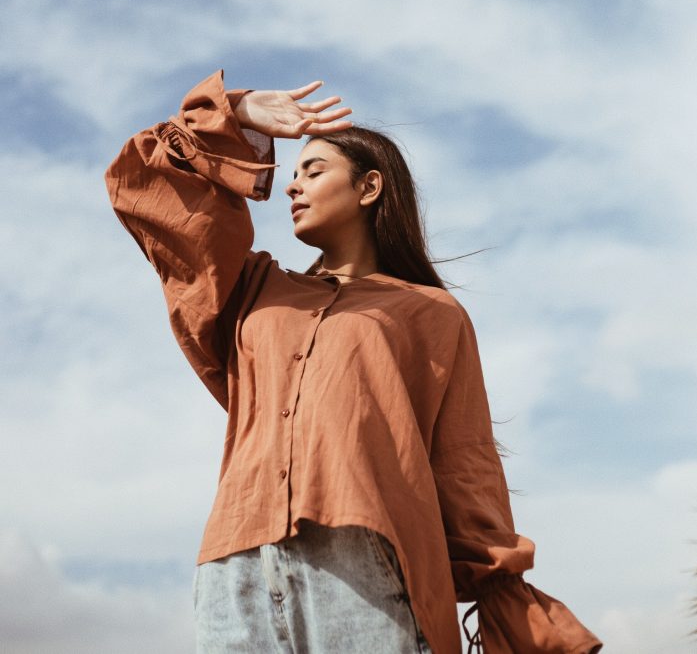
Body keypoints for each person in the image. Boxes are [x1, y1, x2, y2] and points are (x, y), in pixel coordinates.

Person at [105, 70, 602, 654]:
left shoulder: (431, 313)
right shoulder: (252, 292)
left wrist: (503, 594)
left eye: (313, 171)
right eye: (292, 174)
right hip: (232, 567)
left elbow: (464, 465)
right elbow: (148, 187)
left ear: (369, 189)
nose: (293, 186)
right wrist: (236, 115)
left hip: (369, 561)